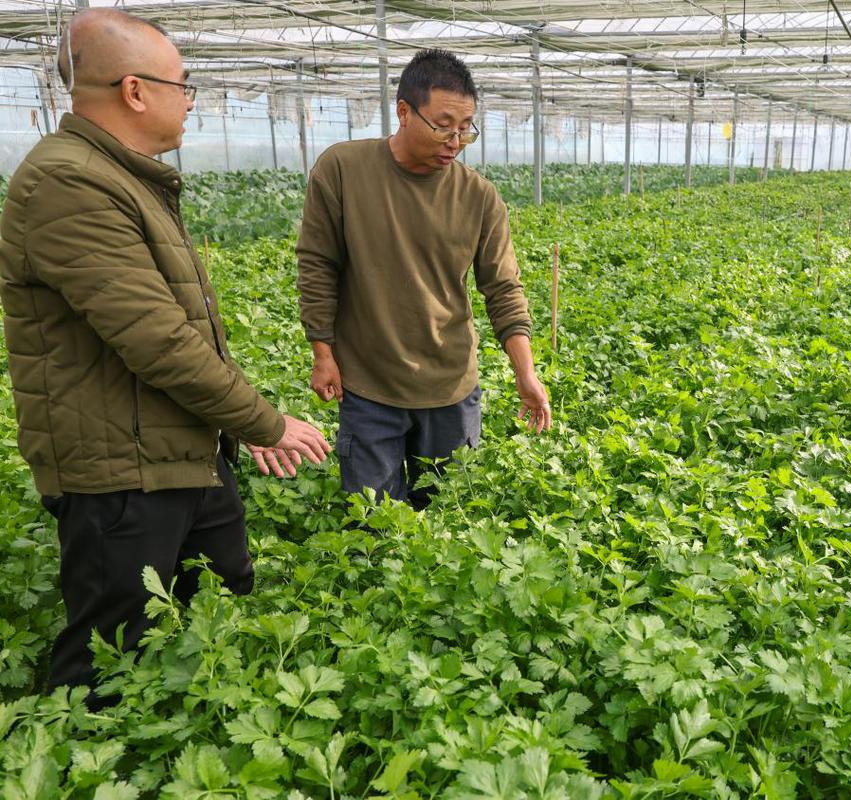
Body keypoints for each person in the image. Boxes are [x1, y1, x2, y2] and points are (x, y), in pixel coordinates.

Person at [0, 9, 331, 697]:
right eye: (183, 85)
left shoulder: (125, 177)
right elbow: (159, 340)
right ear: (134, 90)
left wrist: (235, 425)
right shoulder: (69, 184)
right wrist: (264, 422)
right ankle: (83, 744)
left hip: (179, 451)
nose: (190, 101)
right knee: (113, 654)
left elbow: (180, 327)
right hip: (119, 474)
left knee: (221, 600)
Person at [297, 48, 550, 509]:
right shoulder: (342, 169)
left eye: (465, 129)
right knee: (373, 524)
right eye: (443, 126)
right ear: (403, 112)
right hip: (369, 387)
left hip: (451, 388)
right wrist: (322, 352)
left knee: (449, 517)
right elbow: (317, 264)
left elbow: (503, 289)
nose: (455, 141)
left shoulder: (479, 197)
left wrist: (526, 373)